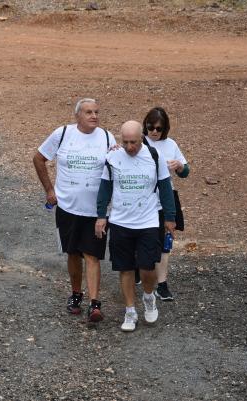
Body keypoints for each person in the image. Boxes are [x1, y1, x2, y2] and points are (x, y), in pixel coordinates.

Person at [33, 98, 116, 322]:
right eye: (89, 112)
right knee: (72, 253)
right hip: (68, 207)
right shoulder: (62, 134)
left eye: (97, 112)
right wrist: (49, 190)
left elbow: (116, 169)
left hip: (95, 210)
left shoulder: (107, 137)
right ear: (77, 115)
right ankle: (76, 294)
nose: (94, 116)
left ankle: (95, 303)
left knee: (92, 254)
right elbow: (39, 158)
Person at [95, 120, 176, 332]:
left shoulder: (154, 156)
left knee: (148, 267)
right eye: (126, 142)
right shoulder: (112, 157)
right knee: (125, 267)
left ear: (142, 138)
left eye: (134, 142)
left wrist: (170, 216)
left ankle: (149, 296)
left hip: (148, 221)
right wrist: (101, 215)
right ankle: (130, 310)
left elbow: (165, 186)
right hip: (121, 221)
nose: (130, 147)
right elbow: (105, 187)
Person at [140, 107, 189, 301]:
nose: (153, 131)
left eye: (158, 129)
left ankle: (162, 284)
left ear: (165, 128)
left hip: (166, 197)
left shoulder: (171, 145)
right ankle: (139, 269)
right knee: (142, 237)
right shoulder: (138, 142)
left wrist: (179, 166)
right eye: (150, 127)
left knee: (165, 241)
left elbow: (185, 172)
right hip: (143, 198)